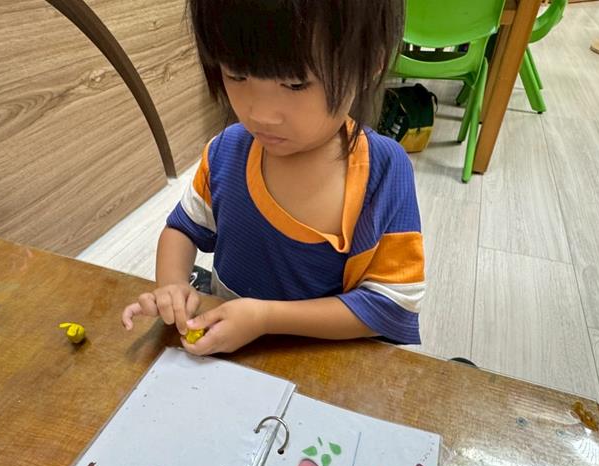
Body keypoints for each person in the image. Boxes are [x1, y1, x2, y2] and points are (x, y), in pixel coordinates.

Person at [121, 0, 424, 355]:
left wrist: (266, 319)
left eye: (295, 84)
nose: (260, 114)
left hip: (315, 362)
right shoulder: (227, 151)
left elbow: (389, 306)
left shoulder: (384, 172)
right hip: (221, 356)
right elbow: (183, 229)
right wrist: (172, 286)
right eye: (237, 75)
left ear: (368, 64)